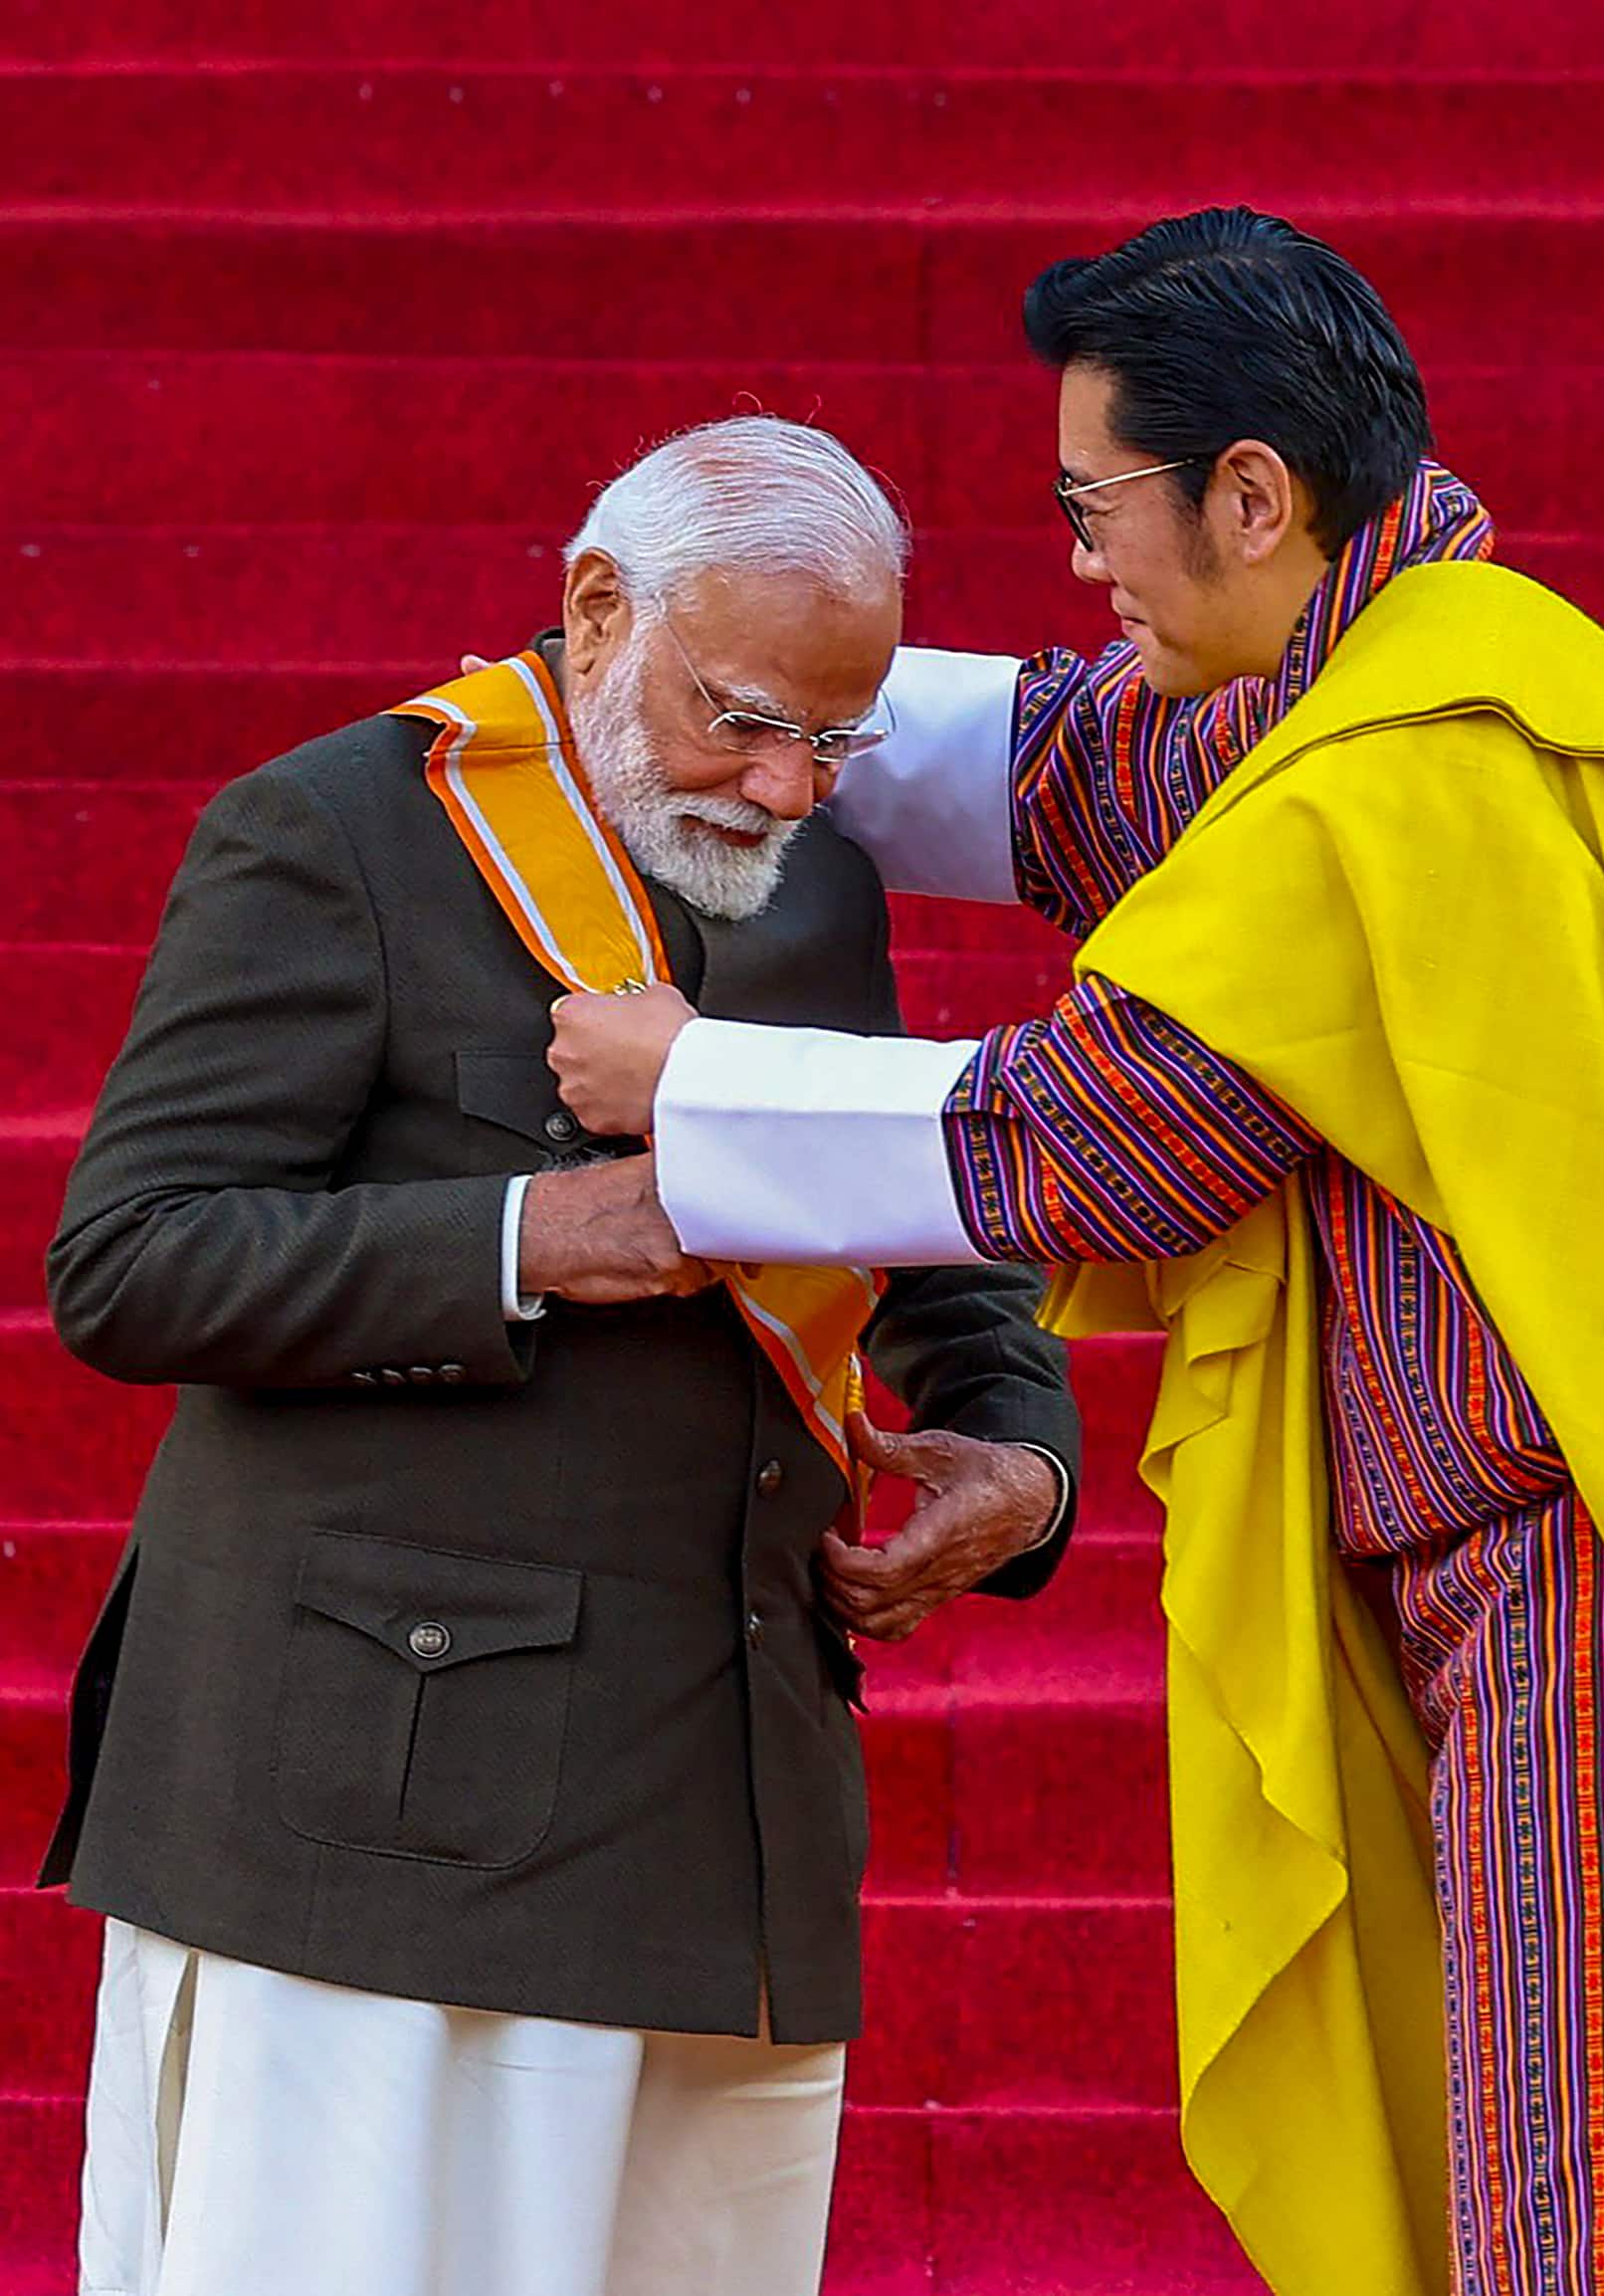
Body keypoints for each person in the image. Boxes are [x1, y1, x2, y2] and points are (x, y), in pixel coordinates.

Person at [545, 212, 1604, 2295]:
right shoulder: (1361, 668)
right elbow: (1068, 769)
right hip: (1534, 1566)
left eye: (1094, 512)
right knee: (1558, 2155)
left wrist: (693, 1082)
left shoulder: (1418, 767)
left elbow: (1095, 1131)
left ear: (1249, 493)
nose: (1079, 569)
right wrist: (718, 683)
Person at [41, 416, 1081, 2296]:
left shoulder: (812, 876)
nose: (785, 786)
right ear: (599, 611)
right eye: (747, 716)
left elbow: (901, 1194)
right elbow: (131, 1261)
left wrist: (1019, 1451)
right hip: (374, 1818)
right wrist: (524, 1239)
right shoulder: (333, 831)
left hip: (724, 1801)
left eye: (838, 740)